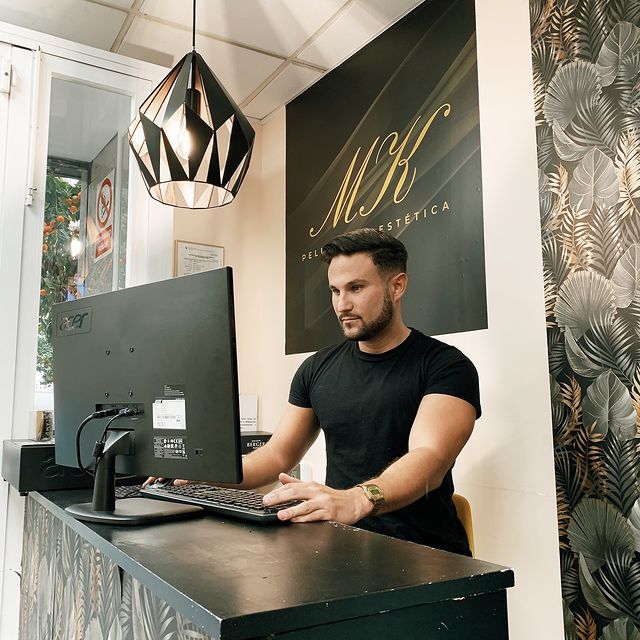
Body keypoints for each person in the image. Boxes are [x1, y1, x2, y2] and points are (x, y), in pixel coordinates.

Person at [151, 228, 480, 556]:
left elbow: (430, 458)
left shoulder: (446, 366)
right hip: (341, 544)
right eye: (335, 291)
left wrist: (358, 498)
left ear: (397, 286)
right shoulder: (316, 368)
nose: (342, 304)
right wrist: (201, 473)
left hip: (426, 554)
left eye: (356, 288)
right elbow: (277, 455)